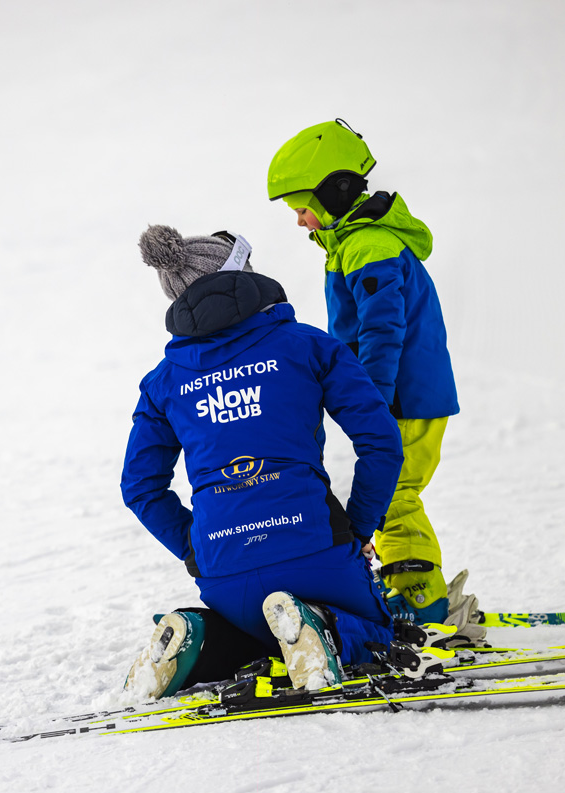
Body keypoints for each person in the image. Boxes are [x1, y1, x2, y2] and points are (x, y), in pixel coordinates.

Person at [120, 224, 405, 699]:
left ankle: (195, 637)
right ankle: (326, 629)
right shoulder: (309, 346)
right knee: (376, 631)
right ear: (243, 278)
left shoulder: (164, 381)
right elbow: (380, 442)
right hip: (316, 547)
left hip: (223, 566)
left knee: (256, 636)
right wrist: (357, 528)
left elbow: (141, 488)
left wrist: (196, 548)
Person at [266, 119, 480, 633]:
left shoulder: (368, 246)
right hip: (407, 395)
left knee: (395, 494)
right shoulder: (354, 244)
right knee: (395, 493)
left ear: (333, 191)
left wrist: (373, 403)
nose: (299, 221)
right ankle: (413, 585)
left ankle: (420, 602)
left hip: (403, 398)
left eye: (302, 206)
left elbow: (384, 331)